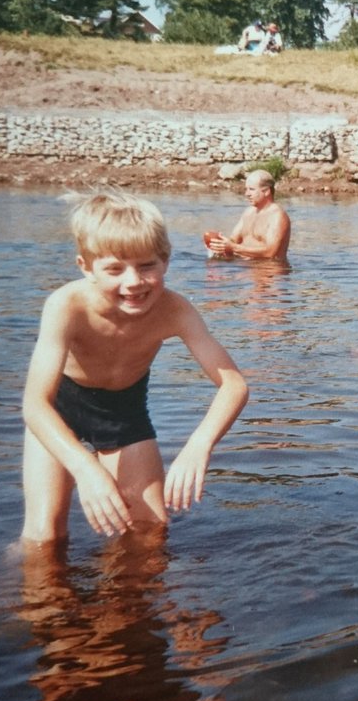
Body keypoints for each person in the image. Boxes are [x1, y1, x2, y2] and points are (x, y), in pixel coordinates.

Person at [22, 191, 250, 543]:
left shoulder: (175, 310)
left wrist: (198, 445)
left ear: (166, 261)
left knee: (150, 533)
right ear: (86, 266)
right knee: (45, 538)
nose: (133, 282)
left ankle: (127, 598)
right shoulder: (66, 306)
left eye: (147, 266)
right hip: (59, 410)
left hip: (123, 411)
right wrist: (85, 468)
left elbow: (233, 385)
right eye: (114, 269)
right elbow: (35, 404)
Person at [204, 169, 291, 262]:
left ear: (266, 191)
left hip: (268, 272)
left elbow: (270, 252)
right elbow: (233, 241)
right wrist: (219, 244)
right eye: (246, 189)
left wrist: (233, 247)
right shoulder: (248, 212)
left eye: (251, 189)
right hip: (245, 270)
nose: (247, 194)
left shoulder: (277, 216)